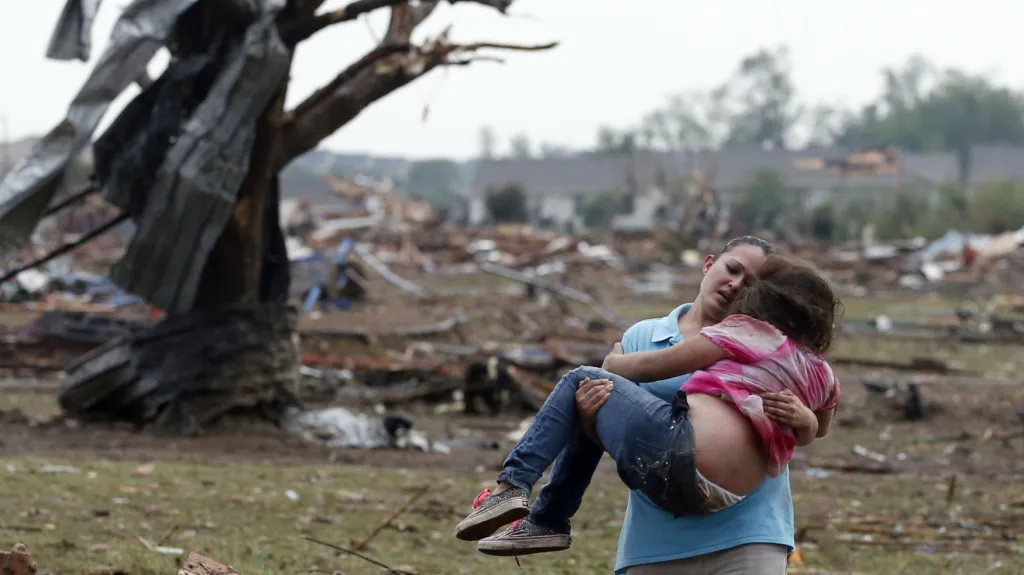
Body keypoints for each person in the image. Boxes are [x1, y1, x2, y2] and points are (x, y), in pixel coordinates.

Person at [453, 246, 842, 567]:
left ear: (766, 299)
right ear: (708, 264)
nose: (738, 284)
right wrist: (590, 413)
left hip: (744, 526)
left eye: (752, 283)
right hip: (675, 510)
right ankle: (546, 518)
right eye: (732, 269)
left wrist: (610, 365)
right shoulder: (817, 369)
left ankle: (523, 496)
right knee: (593, 393)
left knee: (582, 378)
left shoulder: (745, 332)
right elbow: (616, 429)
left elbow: (650, 368)